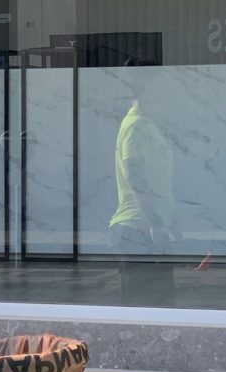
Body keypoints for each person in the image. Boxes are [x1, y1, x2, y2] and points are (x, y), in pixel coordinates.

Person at [109, 60, 176, 306]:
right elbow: (134, 176)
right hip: (137, 230)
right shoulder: (135, 125)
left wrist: (170, 220)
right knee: (147, 307)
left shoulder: (149, 123)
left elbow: (157, 180)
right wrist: (154, 223)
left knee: (162, 307)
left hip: (151, 227)